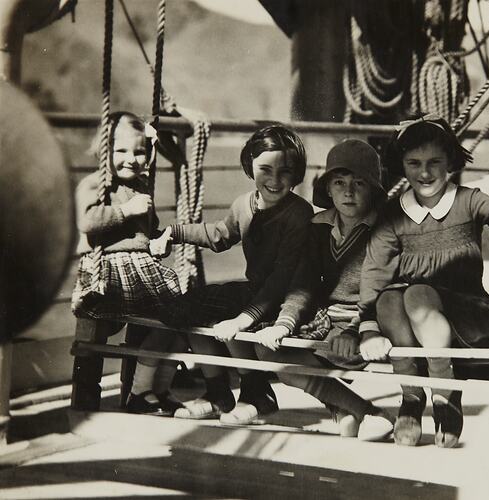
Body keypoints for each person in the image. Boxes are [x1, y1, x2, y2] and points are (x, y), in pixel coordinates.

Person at [357, 114, 489, 448]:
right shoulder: (393, 214)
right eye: (414, 163)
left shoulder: (469, 201)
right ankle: (412, 395)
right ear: (402, 166)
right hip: (418, 323)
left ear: (450, 161)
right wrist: (368, 328)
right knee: (390, 299)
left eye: (435, 162)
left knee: (417, 293)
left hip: (468, 317)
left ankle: (445, 393)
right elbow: (374, 272)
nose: (425, 173)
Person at [152, 124, 314, 421]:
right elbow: (219, 235)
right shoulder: (244, 204)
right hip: (255, 292)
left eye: (286, 171)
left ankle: (257, 394)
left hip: (283, 298)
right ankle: (217, 391)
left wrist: (244, 318)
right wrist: (173, 233)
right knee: (185, 309)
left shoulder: (299, 214)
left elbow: (282, 278)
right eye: (265, 169)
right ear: (249, 166)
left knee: (231, 315)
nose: (275, 180)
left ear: (298, 172)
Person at [248, 139, 392, 440]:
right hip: (327, 319)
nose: (348, 192)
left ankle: (362, 413)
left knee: (314, 355)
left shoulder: (384, 230)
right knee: (267, 348)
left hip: (367, 321)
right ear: (327, 189)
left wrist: (359, 329)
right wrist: (284, 323)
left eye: (359, 183)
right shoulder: (319, 226)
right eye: (339, 183)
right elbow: (304, 282)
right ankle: (359, 410)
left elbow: (383, 291)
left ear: (374, 190)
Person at [72, 111, 186, 415]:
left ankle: (154, 390)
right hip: (111, 271)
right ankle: (134, 394)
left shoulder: (141, 185)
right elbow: (88, 221)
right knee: (165, 318)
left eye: (139, 151)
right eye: (121, 151)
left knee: (179, 320)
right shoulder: (96, 184)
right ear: (104, 151)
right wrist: (125, 209)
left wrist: (158, 240)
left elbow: (147, 227)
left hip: (142, 267)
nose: (132, 159)